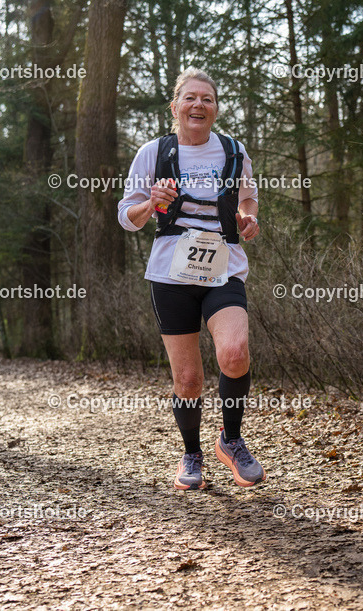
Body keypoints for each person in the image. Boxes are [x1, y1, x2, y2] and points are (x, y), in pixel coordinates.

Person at [117, 68, 265, 490]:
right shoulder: (154, 152)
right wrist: (151, 204)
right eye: (190, 98)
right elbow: (126, 217)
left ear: (216, 109)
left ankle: (231, 440)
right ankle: (191, 453)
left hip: (224, 269)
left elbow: (248, 197)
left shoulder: (235, 152)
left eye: (208, 99)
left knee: (234, 352)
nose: (199, 105)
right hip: (170, 274)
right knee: (188, 379)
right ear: (176, 105)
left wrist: (250, 218)